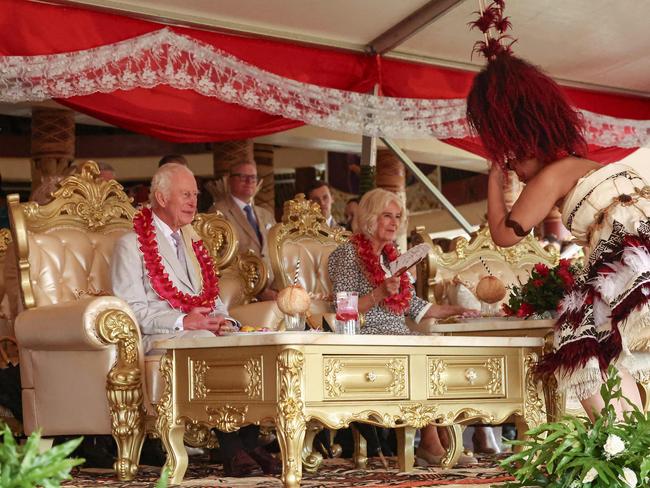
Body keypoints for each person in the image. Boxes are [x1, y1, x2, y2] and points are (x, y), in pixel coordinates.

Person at [466, 8, 647, 420]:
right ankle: (630, 439)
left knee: (575, 340)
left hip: (629, 266)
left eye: (515, 161)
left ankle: (615, 440)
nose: (516, 171)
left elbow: (504, 235)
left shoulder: (550, 175)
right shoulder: (582, 165)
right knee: (602, 348)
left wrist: (494, 179)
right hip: (634, 262)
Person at [111, 163, 280, 476]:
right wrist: (182, 321)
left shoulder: (192, 242)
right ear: (161, 197)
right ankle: (232, 450)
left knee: (251, 343)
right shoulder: (130, 245)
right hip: (160, 337)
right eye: (185, 194)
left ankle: (251, 439)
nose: (193, 201)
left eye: (195, 194)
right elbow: (131, 309)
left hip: (198, 332)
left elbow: (211, 298)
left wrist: (223, 321)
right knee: (205, 344)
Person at [327, 188, 479, 465]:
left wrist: (456, 310)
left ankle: (446, 438)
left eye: (398, 217)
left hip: (398, 335)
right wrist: (379, 294)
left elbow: (414, 306)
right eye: (387, 216)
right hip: (364, 335)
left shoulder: (390, 258)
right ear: (370, 217)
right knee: (420, 355)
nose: (394, 223)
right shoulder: (347, 255)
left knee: (438, 355)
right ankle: (430, 443)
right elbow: (344, 308)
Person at [210, 161, 277, 300]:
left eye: (253, 177)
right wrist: (257, 289)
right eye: (242, 177)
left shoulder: (266, 214)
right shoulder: (219, 212)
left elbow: (276, 252)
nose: (249, 181)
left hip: (272, 292)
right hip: (240, 293)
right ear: (229, 180)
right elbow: (220, 258)